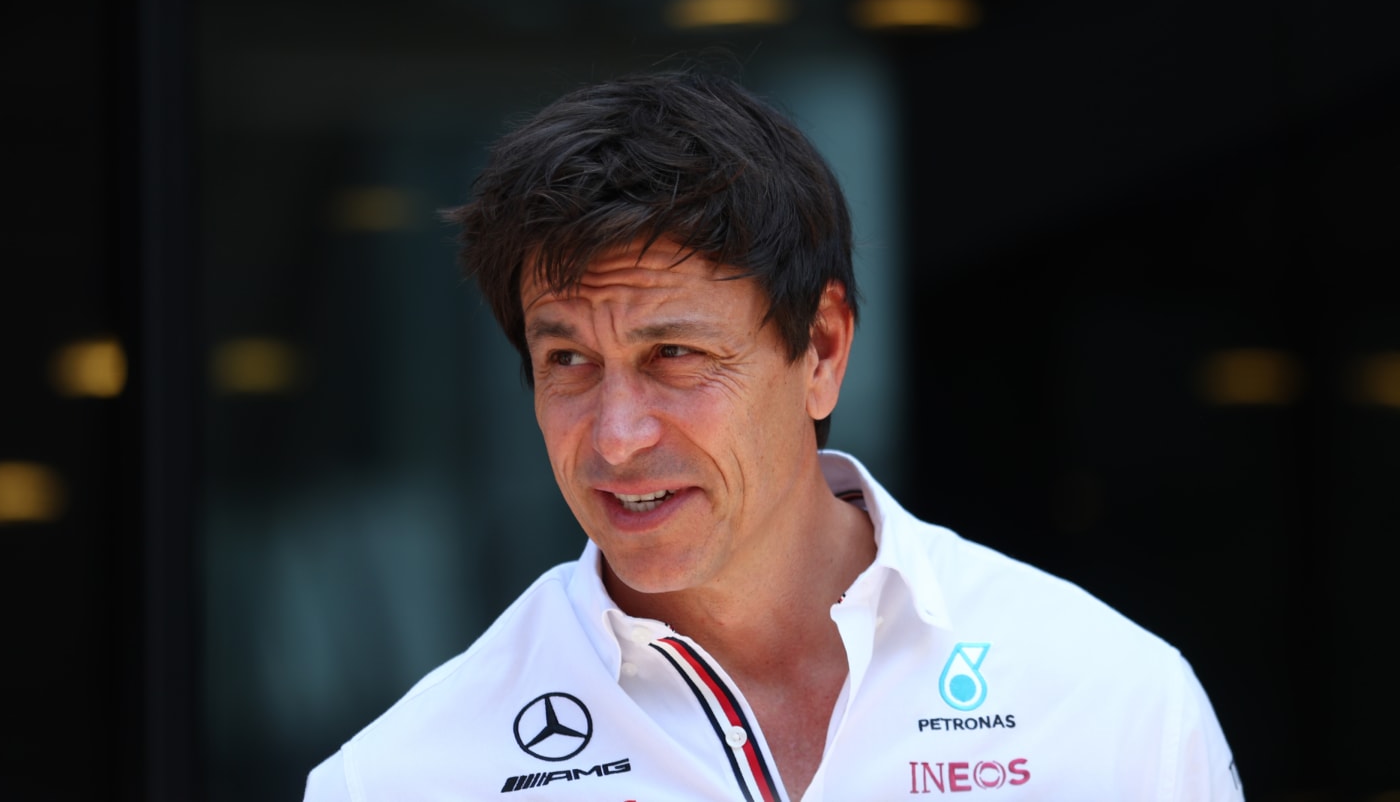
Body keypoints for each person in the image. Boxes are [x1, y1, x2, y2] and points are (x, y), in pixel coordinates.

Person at [303, 69, 1242, 801]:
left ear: (822, 348)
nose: (617, 437)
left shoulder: (1114, 704)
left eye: (673, 353)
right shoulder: (401, 779)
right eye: (569, 363)